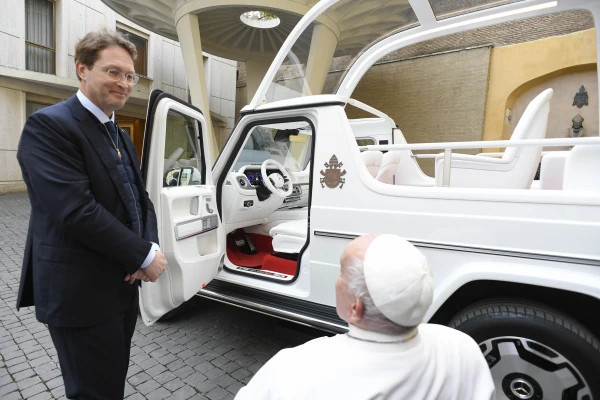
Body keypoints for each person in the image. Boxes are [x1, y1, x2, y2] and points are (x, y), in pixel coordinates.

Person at [16, 28, 167, 400]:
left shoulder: (119, 133)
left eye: (130, 75)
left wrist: (146, 245)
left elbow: (140, 199)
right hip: (79, 293)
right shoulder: (50, 126)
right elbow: (76, 211)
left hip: (121, 286)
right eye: (113, 72)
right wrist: (143, 255)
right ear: (82, 69)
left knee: (110, 384)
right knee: (93, 392)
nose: (125, 83)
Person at [235, 234, 495, 400]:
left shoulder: (292, 369)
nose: (337, 282)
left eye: (341, 275)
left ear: (355, 308)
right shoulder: (462, 348)